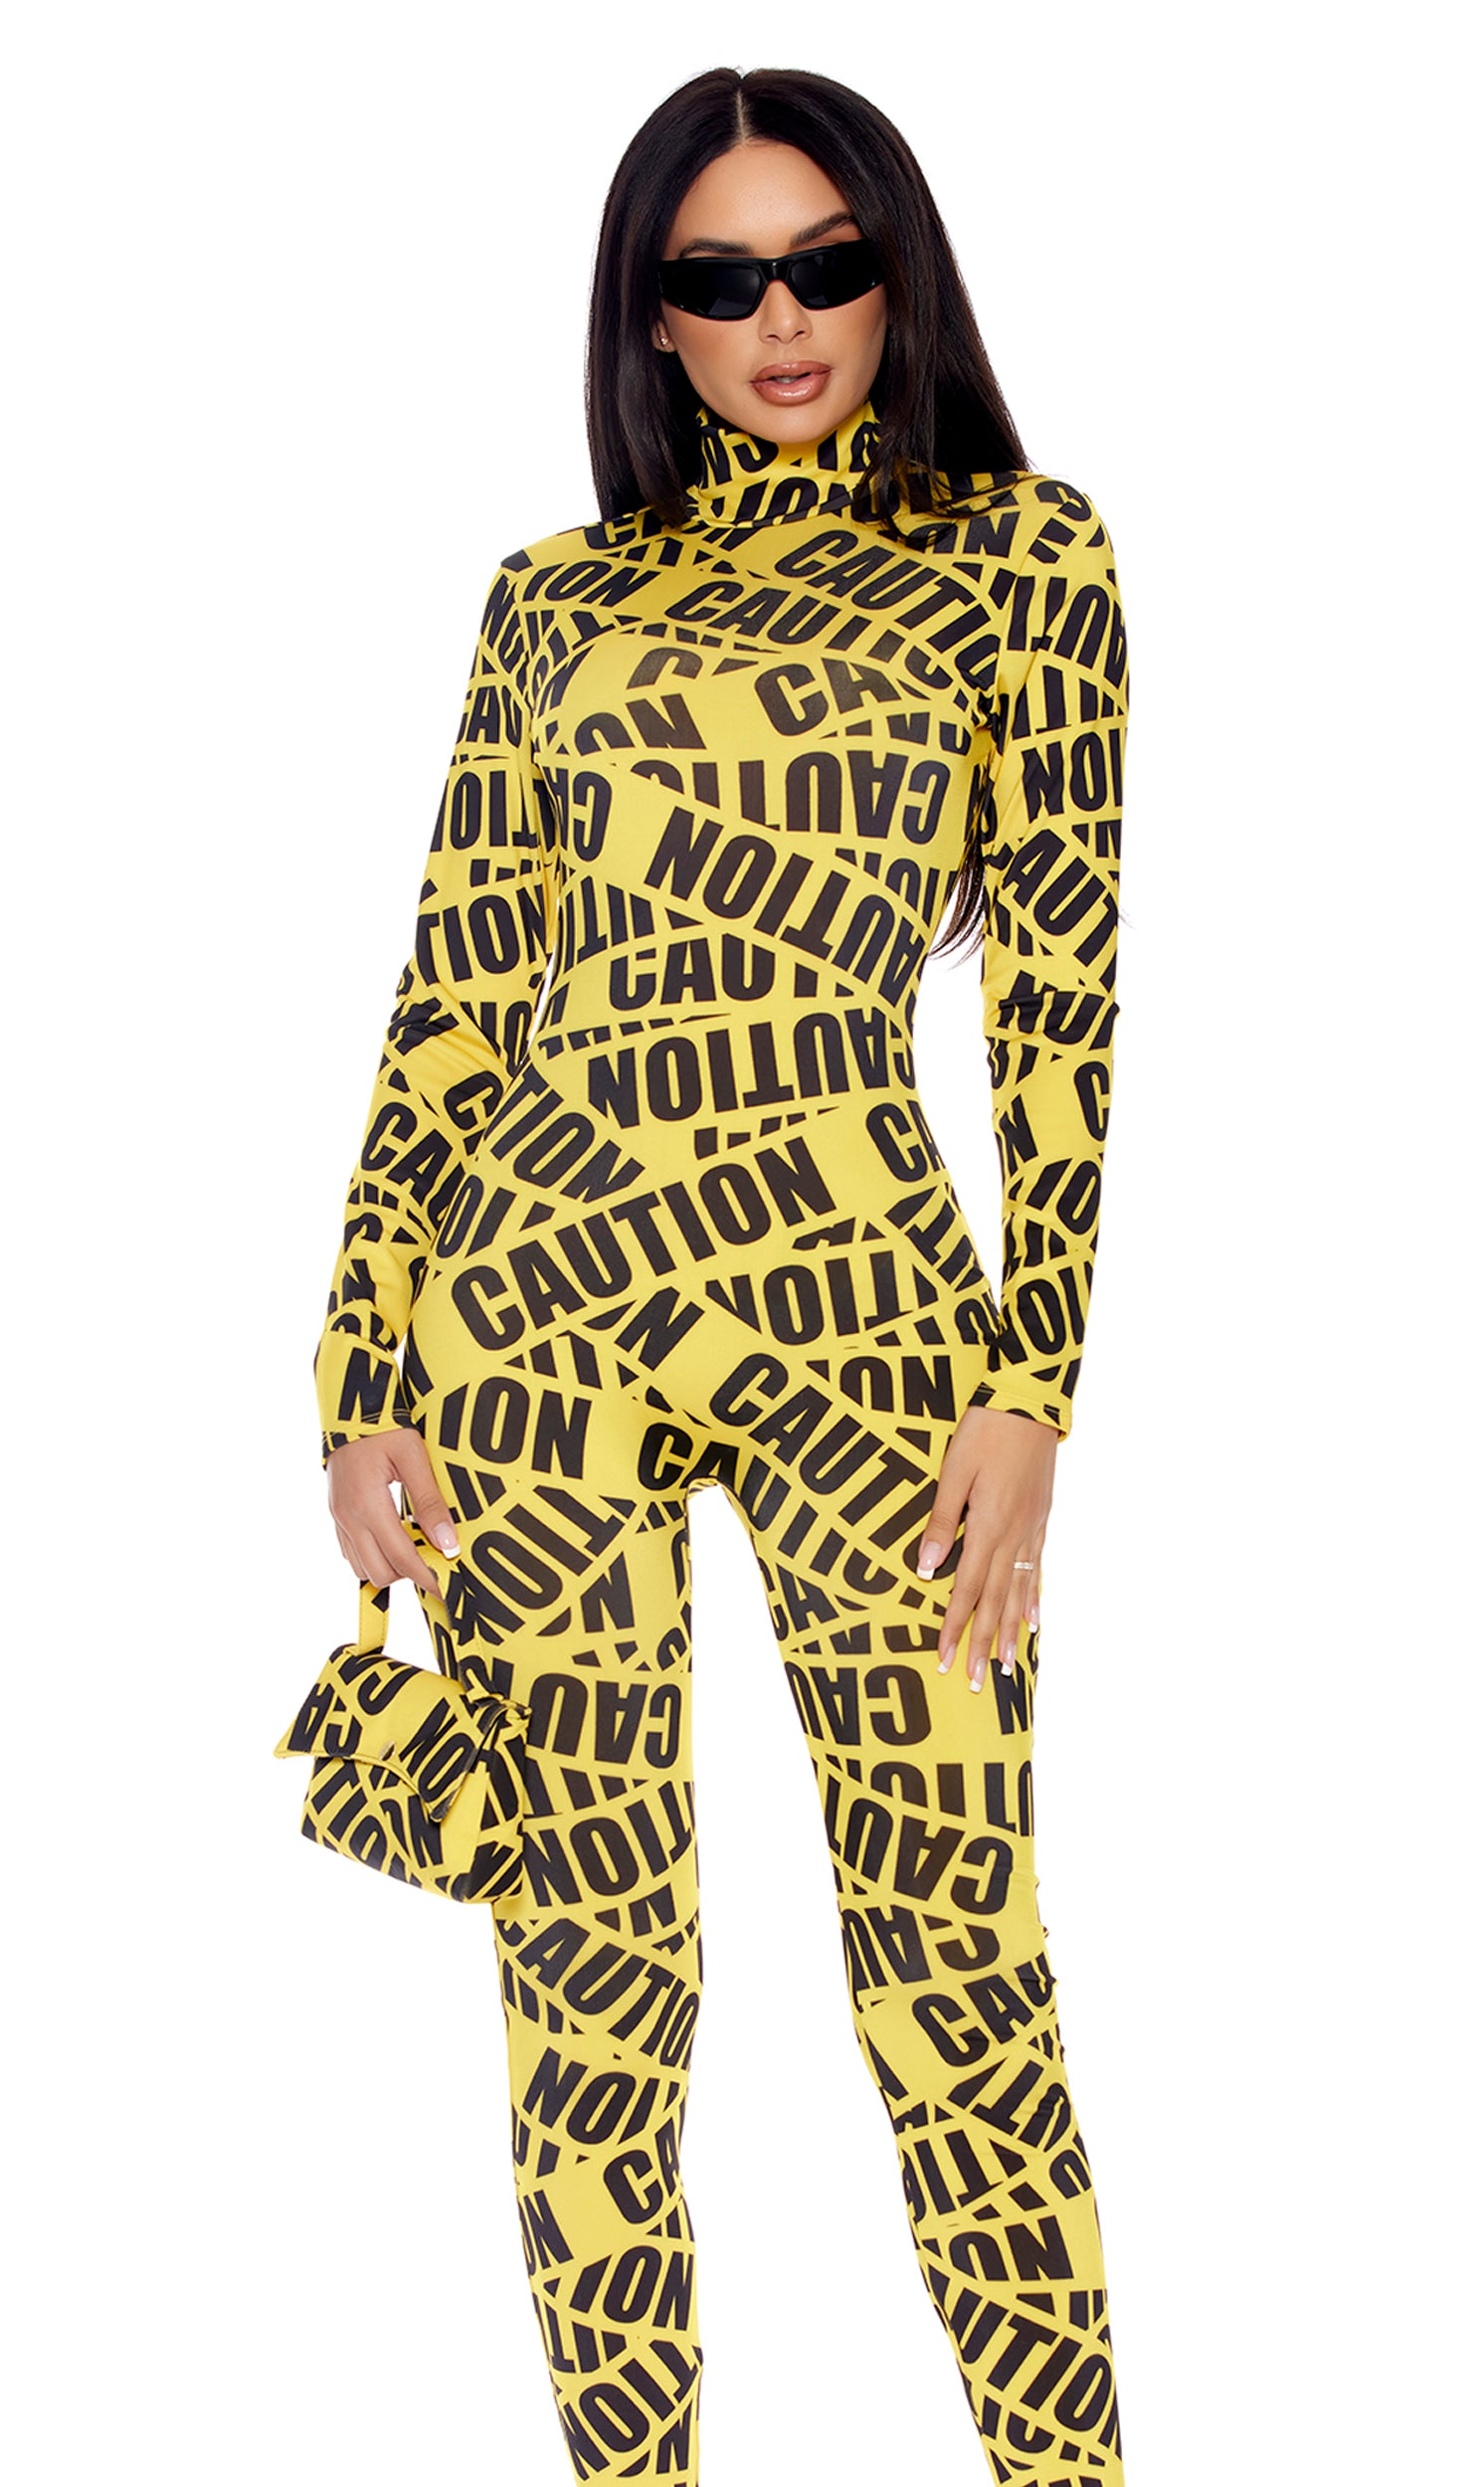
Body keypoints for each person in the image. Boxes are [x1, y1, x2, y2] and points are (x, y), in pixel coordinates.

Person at [314, 62, 1130, 2487]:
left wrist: (1035, 1382)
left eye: (825, 264)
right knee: (591, 1983)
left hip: (869, 1311)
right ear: (651, 319)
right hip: (528, 1309)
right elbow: (459, 988)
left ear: (897, 275)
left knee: (959, 1964)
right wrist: (360, 1364)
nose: (782, 317)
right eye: (721, 276)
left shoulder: (1023, 558)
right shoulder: (552, 603)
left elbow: (1062, 994)